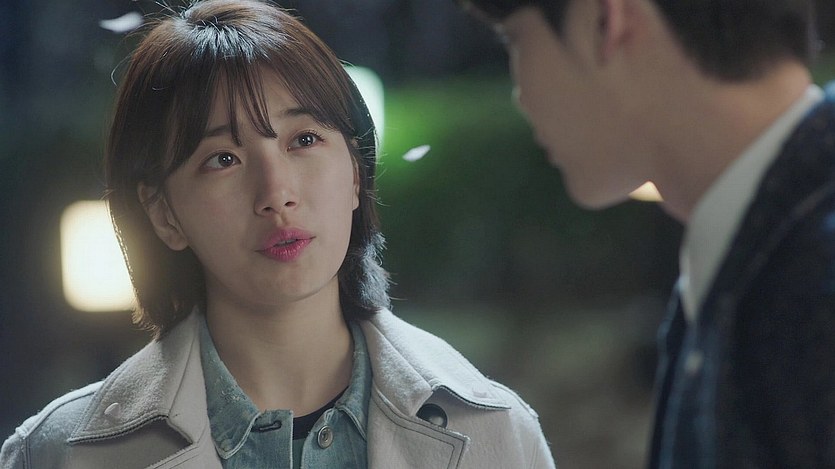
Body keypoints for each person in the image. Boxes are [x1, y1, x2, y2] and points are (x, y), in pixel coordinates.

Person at [0, 1, 556, 468]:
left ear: (356, 172)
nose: (276, 193)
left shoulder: (495, 432)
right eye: (223, 158)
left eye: (304, 140)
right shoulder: (57, 453)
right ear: (164, 214)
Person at [456, 0, 835, 467]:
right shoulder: (759, 247)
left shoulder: (810, 287)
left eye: (515, 39)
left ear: (607, 22)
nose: (521, 95)